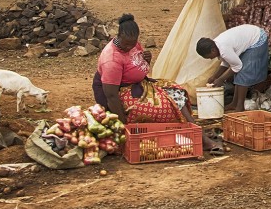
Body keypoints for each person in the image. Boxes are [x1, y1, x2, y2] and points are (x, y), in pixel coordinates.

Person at [93, 13, 224, 155]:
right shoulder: (111, 59)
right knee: (162, 108)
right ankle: (197, 136)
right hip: (120, 94)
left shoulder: (132, 44)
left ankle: (195, 132)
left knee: (176, 91)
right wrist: (124, 126)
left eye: (133, 44)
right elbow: (111, 96)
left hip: (140, 85)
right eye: (126, 44)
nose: (129, 47)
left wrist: (147, 61)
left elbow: (137, 66)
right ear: (118, 36)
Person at [196, 24, 269, 112]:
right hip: (250, 35)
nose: (211, 58)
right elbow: (226, 62)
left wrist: (221, 79)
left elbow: (237, 66)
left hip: (257, 38)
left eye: (209, 57)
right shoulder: (216, 45)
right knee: (238, 73)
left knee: (243, 73)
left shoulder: (223, 48)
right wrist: (215, 76)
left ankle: (240, 107)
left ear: (213, 50)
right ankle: (234, 103)